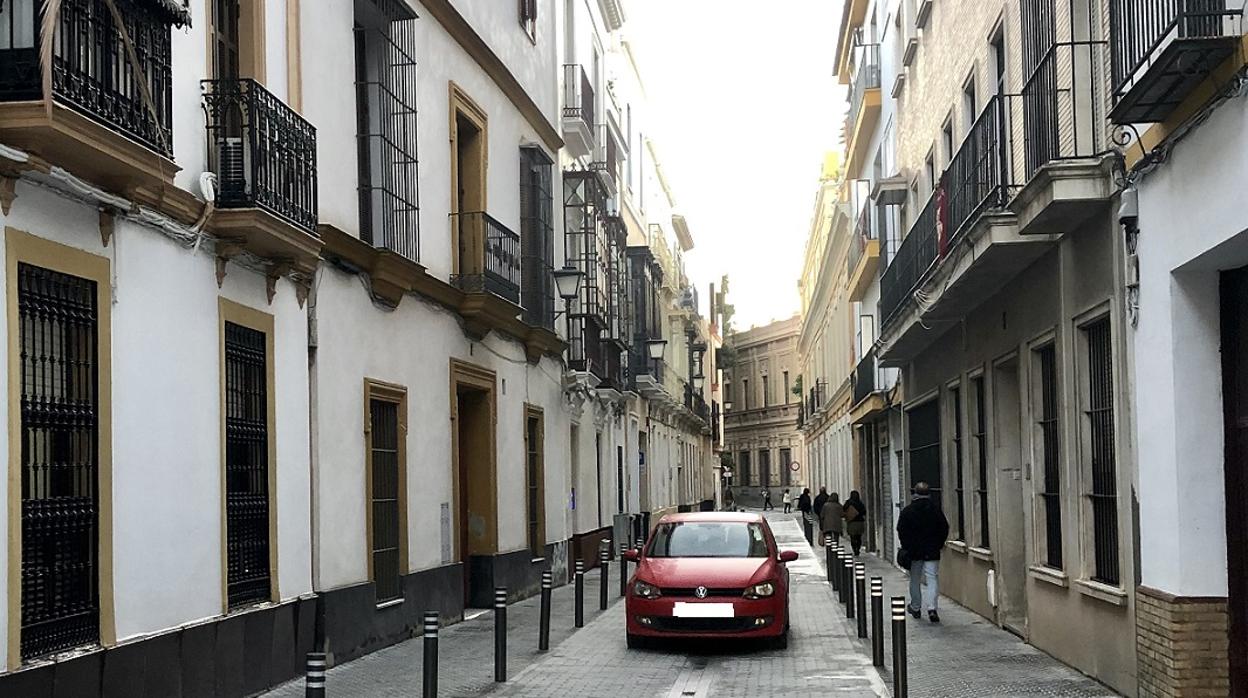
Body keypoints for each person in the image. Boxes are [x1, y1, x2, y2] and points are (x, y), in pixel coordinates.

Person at [896, 481, 950, 623]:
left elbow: (901, 529)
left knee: (915, 579)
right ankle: (932, 608)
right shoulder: (935, 510)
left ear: (915, 494)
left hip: (914, 551)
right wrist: (938, 544)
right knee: (932, 578)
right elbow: (944, 527)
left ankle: (915, 606)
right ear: (929, 494)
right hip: (932, 550)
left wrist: (906, 546)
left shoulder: (908, 511)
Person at [844, 490, 868, 556]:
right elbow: (864, 512)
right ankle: (858, 548)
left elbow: (844, 510)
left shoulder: (848, 502)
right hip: (860, 522)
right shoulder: (860, 503)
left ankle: (855, 549)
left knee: (852, 537)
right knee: (859, 537)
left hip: (852, 523)